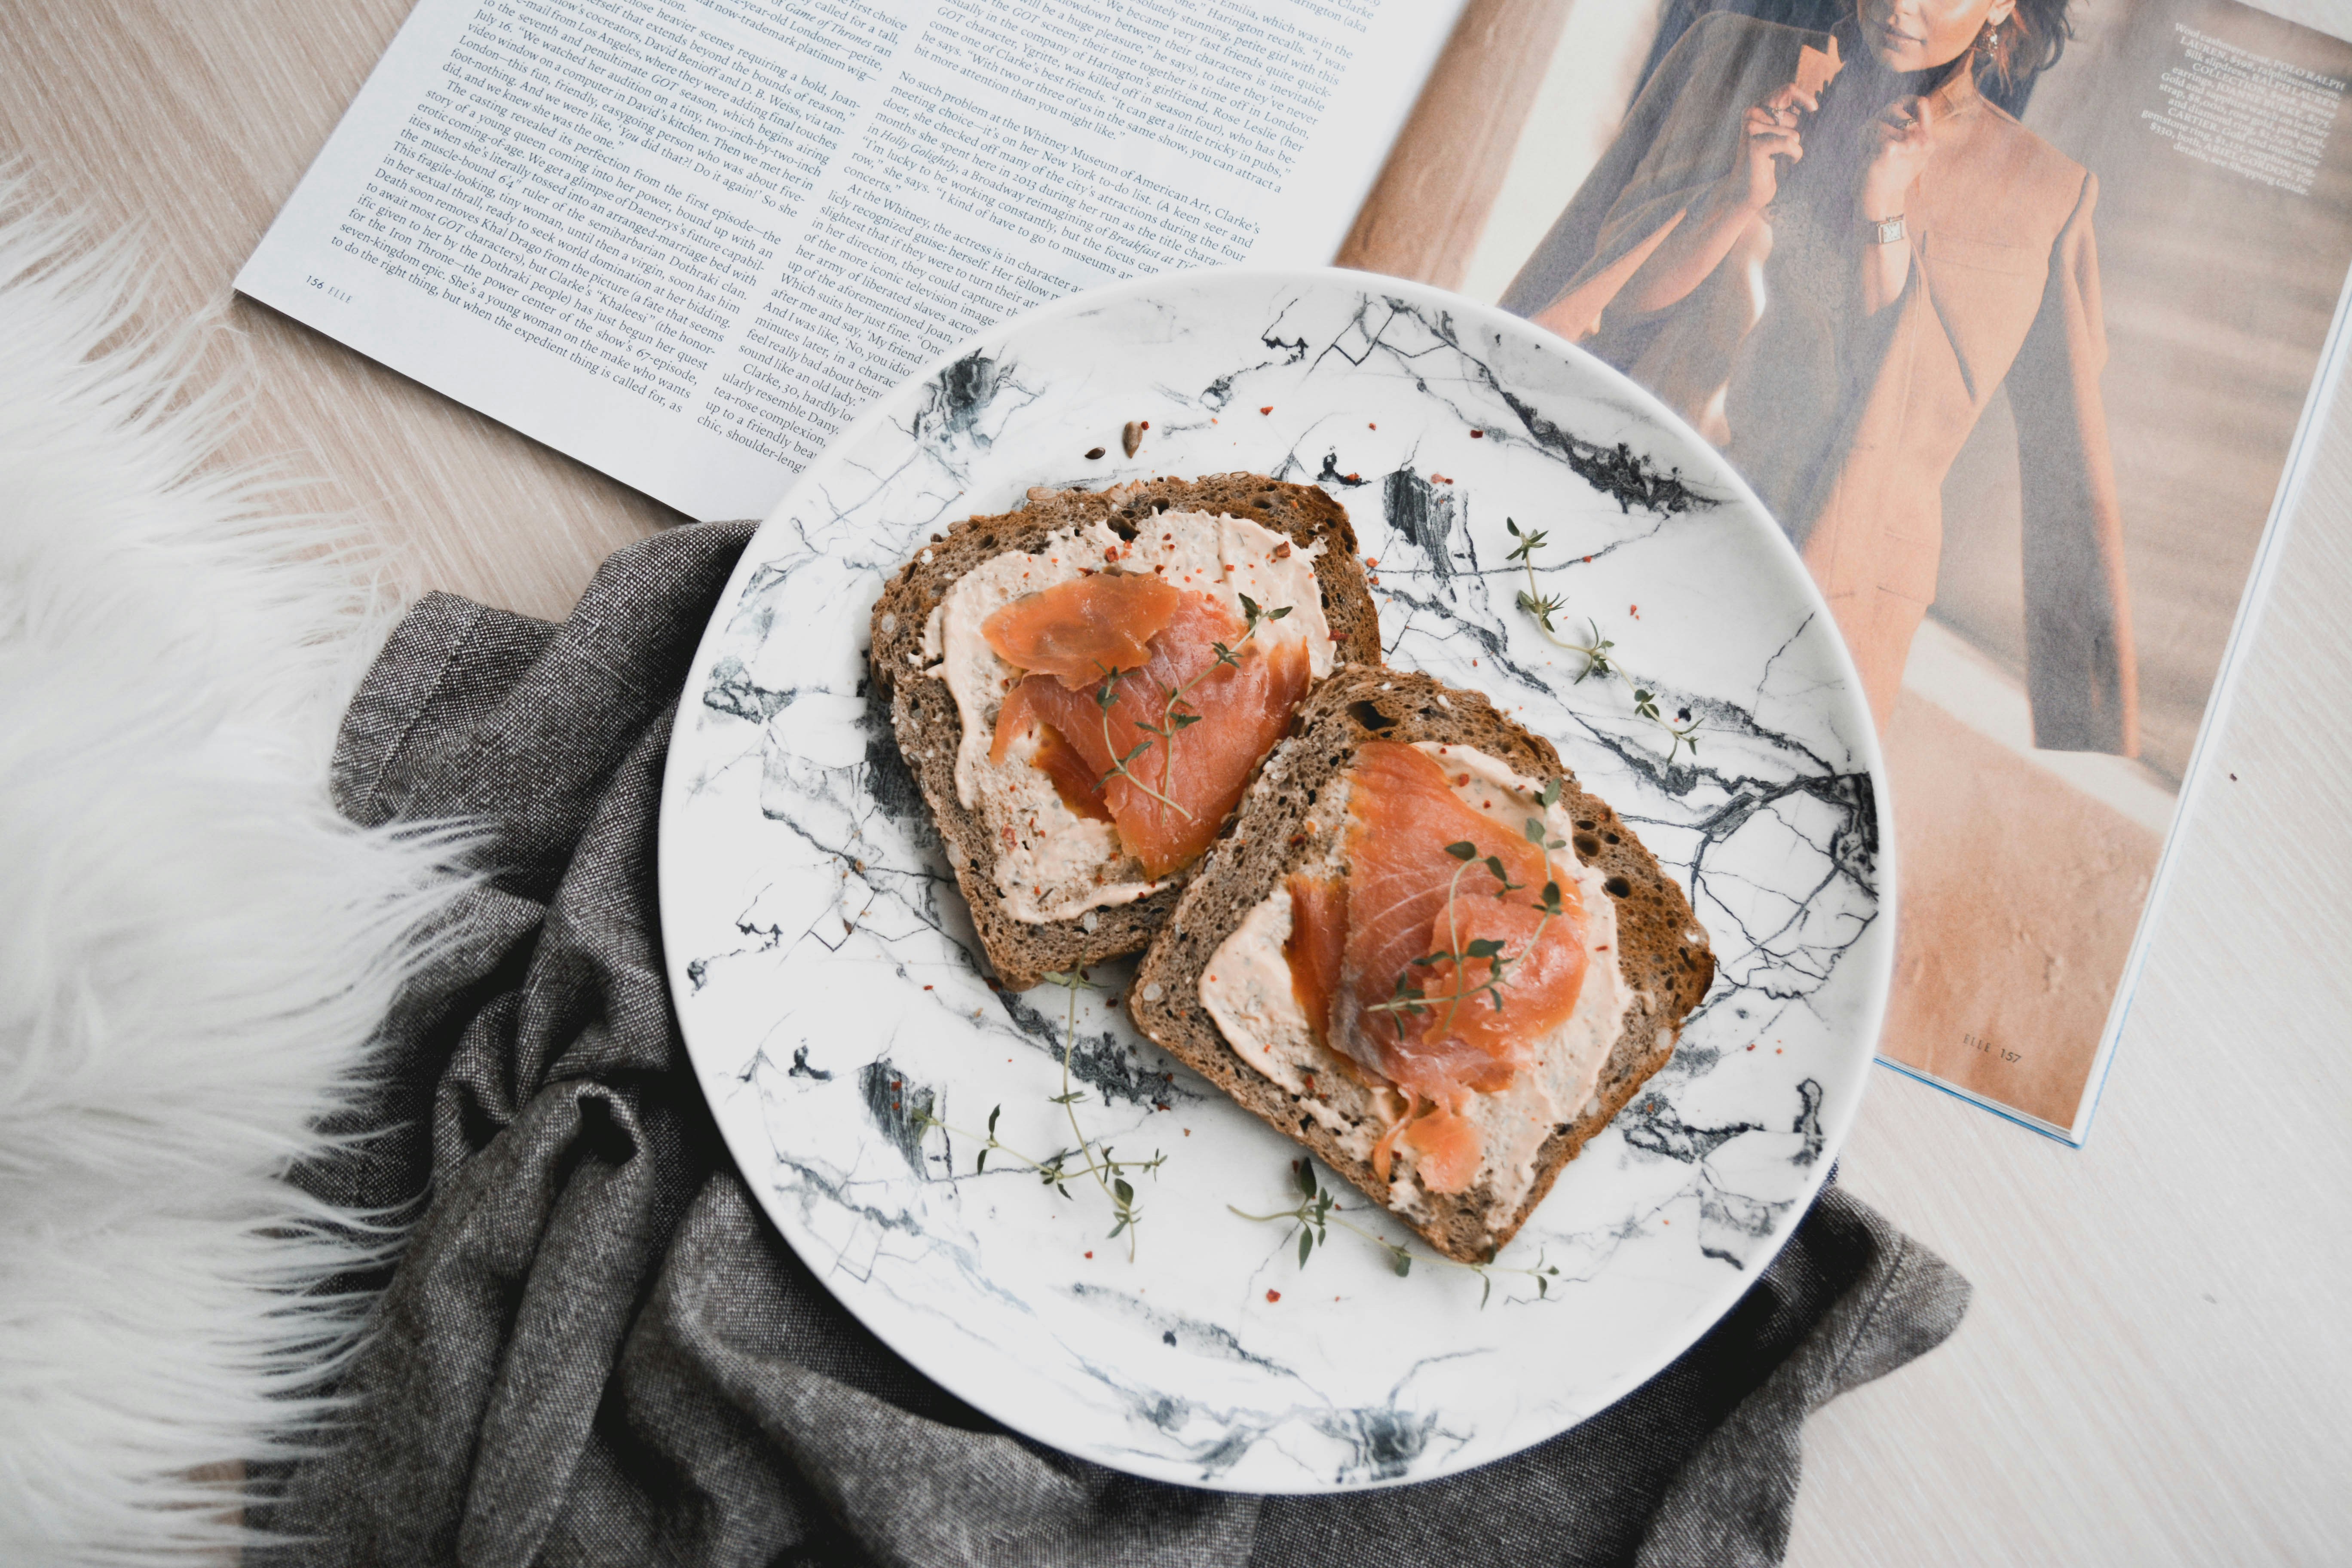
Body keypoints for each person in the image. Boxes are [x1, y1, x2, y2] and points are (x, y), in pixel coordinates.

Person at [1503, 0, 2136, 753]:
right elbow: (1600, 298)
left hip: (1836, 576)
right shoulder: (1723, 58)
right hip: (1631, 510)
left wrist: (1885, 212)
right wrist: (1736, 198)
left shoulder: (2042, 194)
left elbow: (2049, 452)